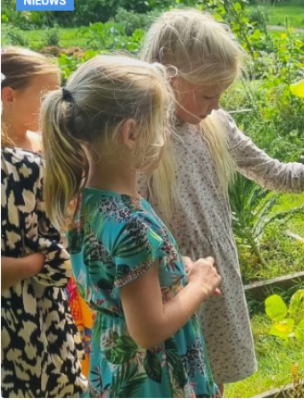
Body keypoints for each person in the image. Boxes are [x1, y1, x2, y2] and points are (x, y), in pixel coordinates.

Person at [137, 9, 304, 388]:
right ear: (170, 77)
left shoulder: (214, 126)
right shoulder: (141, 143)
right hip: (172, 284)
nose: (217, 105)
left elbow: (277, 173)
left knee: (213, 381)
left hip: (215, 278)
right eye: (209, 94)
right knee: (175, 383)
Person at [42, 55, 221, 397]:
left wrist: (174, 274)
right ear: (131, 132)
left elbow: (120, 280)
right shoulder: (132, 223)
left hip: (114, 365)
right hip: (153, 377)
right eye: (161, 123)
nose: (166, 134)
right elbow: (148, 330)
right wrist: (198, 283)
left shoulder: (85, 201)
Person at [1, 45, 95, 378]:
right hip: (17, 312)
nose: (55, 106)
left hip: (58, 297)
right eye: (45, 97)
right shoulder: (12, 165)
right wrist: (43, 262)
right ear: (9, 95)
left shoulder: (45, 145)